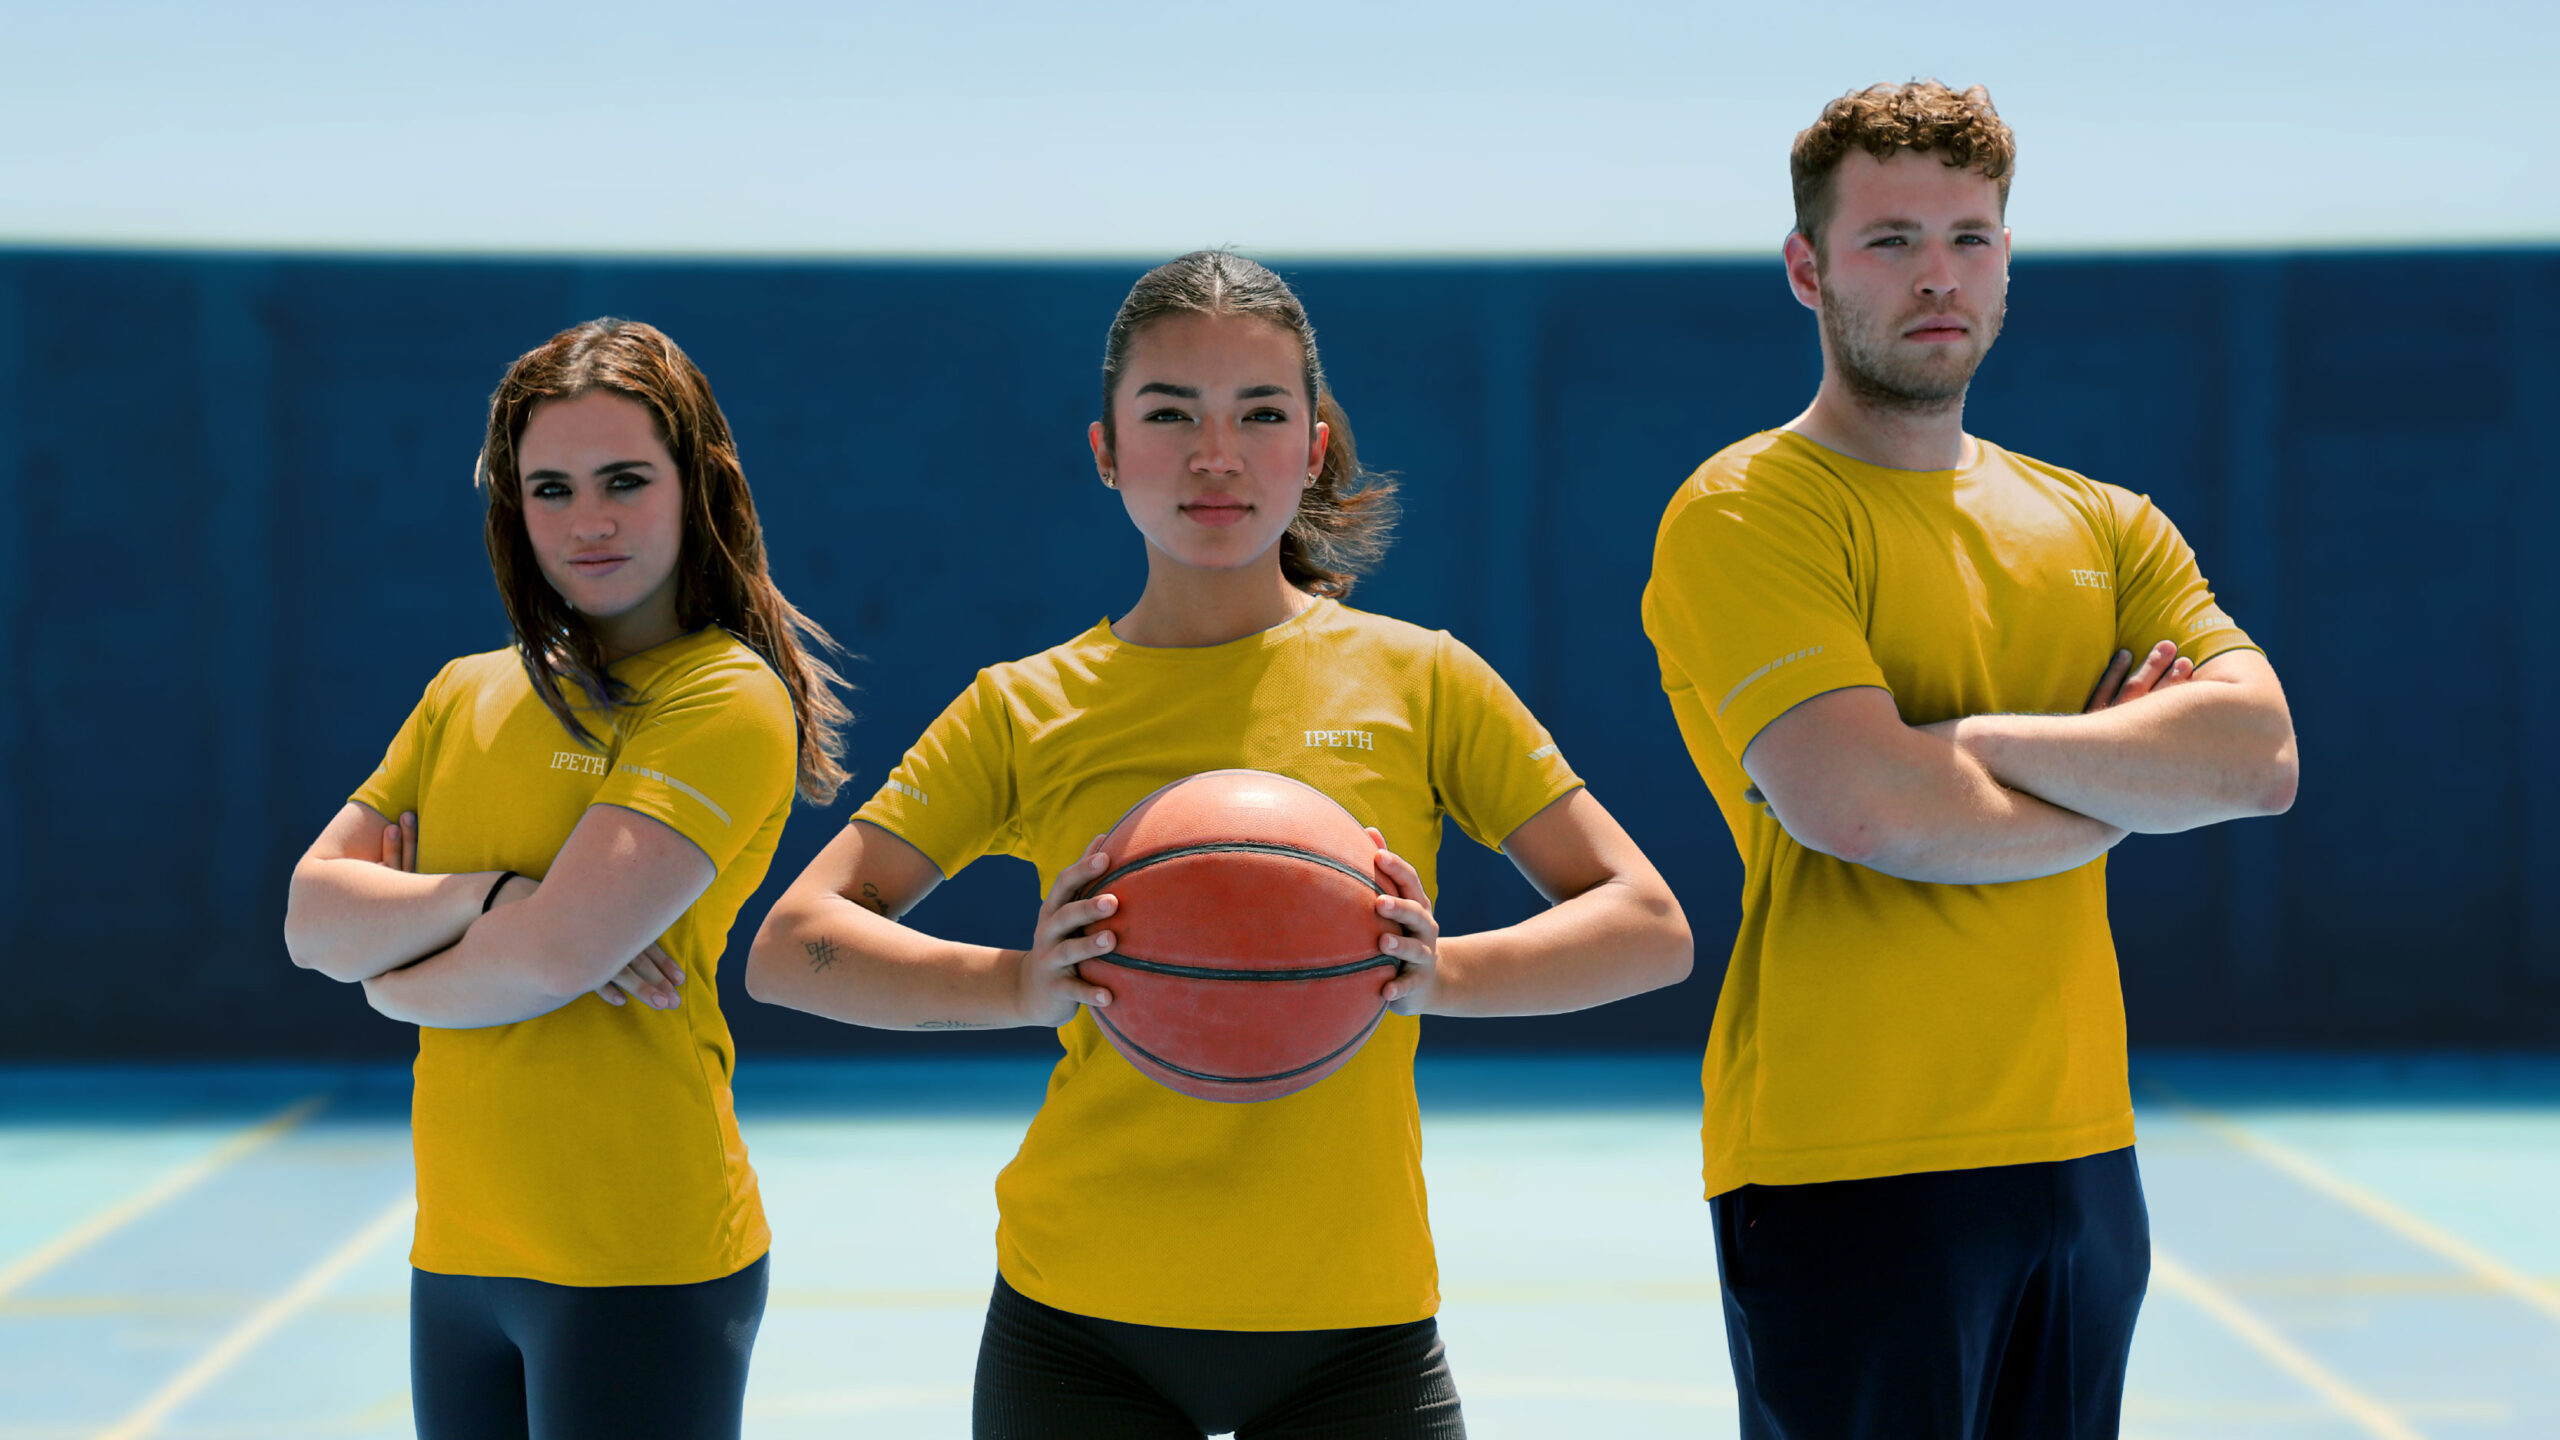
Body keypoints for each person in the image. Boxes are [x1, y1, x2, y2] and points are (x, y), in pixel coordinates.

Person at [747, 249, 1693, 1440]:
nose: (1215, 454)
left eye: (1259, 413)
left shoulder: (1424, 681)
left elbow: (1648, 926)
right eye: (1168, 414)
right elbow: (792, 948)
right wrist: (1019, 986)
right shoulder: (1024, 709)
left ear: (1313, 446)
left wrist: (1441, 973)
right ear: (1105, 450)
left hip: (1356, 1328)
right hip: (1078, 1321)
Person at [1641, 81, 2301, 1437]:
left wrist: (1977, 744)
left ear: (2006, 263)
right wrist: (2116, 786)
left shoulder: (2106, 523)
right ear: (1807, 269)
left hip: (2083, 1152)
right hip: (1846, 1156)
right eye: (1889, 241)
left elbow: (2257, 759)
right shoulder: (1750, 509)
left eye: (1970, 238)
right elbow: (1863, 808)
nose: (1937, 275)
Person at [281, 318, 850, 1440]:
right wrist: (485, 900)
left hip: (636, 1254)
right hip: (457, 1251)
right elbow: (310, 918)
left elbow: (555, 959)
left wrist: (388, 975)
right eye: (551, 488)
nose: (588, 521)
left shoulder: (722, 696)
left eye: (624, 480)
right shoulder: (464, 691)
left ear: (698, 486)